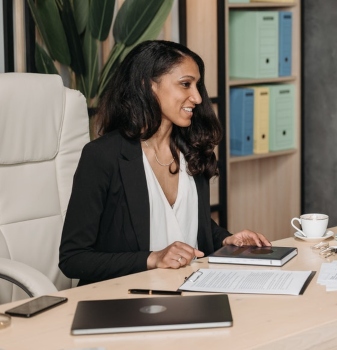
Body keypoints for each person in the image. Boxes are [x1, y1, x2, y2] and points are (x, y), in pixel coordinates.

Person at [59, 40, 271, 286]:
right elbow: (73, 258)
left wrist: (226, 240)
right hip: (125, 300)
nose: (197, 97)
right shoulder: (103, 156)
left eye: (197, 86)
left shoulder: (192, 149)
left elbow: (189, 224)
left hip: (191, 290)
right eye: (185, 84)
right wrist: (152, 259)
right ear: (148, 85)